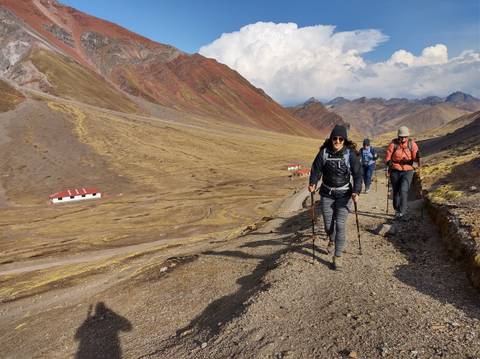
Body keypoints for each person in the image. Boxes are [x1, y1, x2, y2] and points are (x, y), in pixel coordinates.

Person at [308, 125, 362, 271]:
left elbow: (357, 175)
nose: (337, 141)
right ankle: (331, 239)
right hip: (326, 193)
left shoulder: (350, 154)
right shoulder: (324, 153)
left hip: (344, 195)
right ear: (331, 139)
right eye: (335, 138)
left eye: (340, 139)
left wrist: (356, 191)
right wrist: (313, 183)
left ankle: (338, 257)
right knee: (328, 226)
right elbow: (316, 169)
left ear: (344, 140)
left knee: (340, 225)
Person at [385, 125, 420, 219]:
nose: (403, 138)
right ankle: (397, 209)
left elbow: (415, 158)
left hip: (408, 170)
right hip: (395, 170)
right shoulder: (393, 144)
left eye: (405, 137)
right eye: (401, 137)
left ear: (407, 136)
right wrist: (389, 163)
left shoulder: (412, 144)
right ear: (398, 136)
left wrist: (417, 157)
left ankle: (402, 211)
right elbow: (388, 156)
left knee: (403, 190)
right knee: (396, 191)